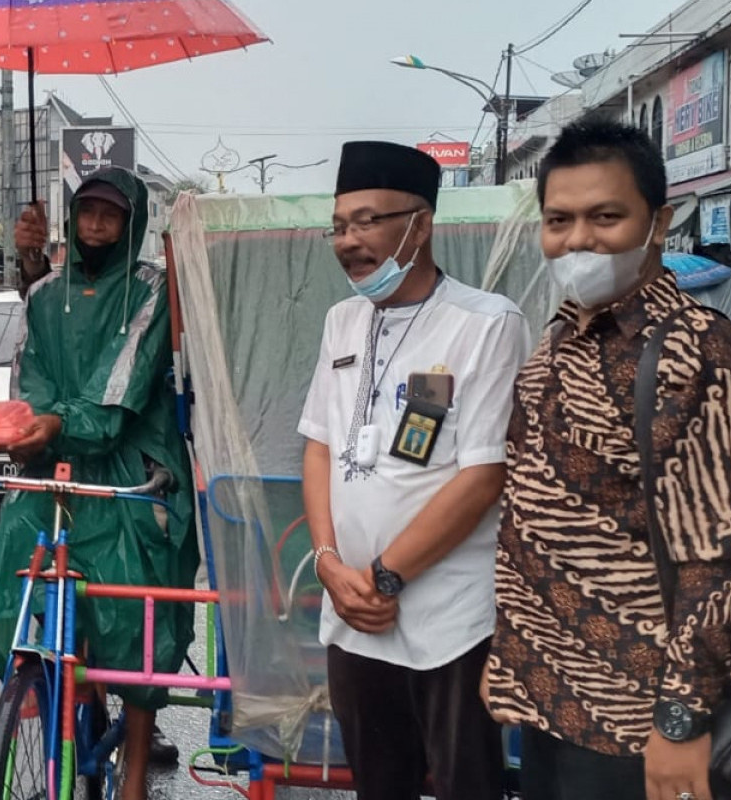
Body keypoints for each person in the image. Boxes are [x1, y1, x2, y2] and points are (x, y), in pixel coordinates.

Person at [485, 116, 731, 800]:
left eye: (605, 216)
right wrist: (510, 662)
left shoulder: (703, 354)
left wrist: (680, 723)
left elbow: (718, 564)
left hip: (635, 723)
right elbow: (527, 523)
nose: (578, 239)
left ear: (659, 221)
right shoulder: (557, 343)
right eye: (559, 220)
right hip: (546, 701)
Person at [297, 141, 527, 800]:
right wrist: (328, 564)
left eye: (367, 221)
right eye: (339, 226)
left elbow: (484, 474)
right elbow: (318, 444)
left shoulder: (485, 323)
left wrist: (385, 576)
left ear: (420, 224)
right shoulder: (342, 322)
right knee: (378, 783)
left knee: (466, 784)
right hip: (351, 615)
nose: (348, 241)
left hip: (447, 621)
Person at [0, 166, 192, 800]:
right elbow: (33, 370)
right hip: (53, 458)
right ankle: (43, 692)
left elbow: (119, 388)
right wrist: (31, 424)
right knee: (15, 581)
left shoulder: (151, 290)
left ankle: (133, 773)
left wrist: (54, 423)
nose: (97, 224)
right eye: (88, 212)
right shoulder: (44, 293)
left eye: (111, 214)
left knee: (140, 615)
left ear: (130, 222)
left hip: (131, 462)